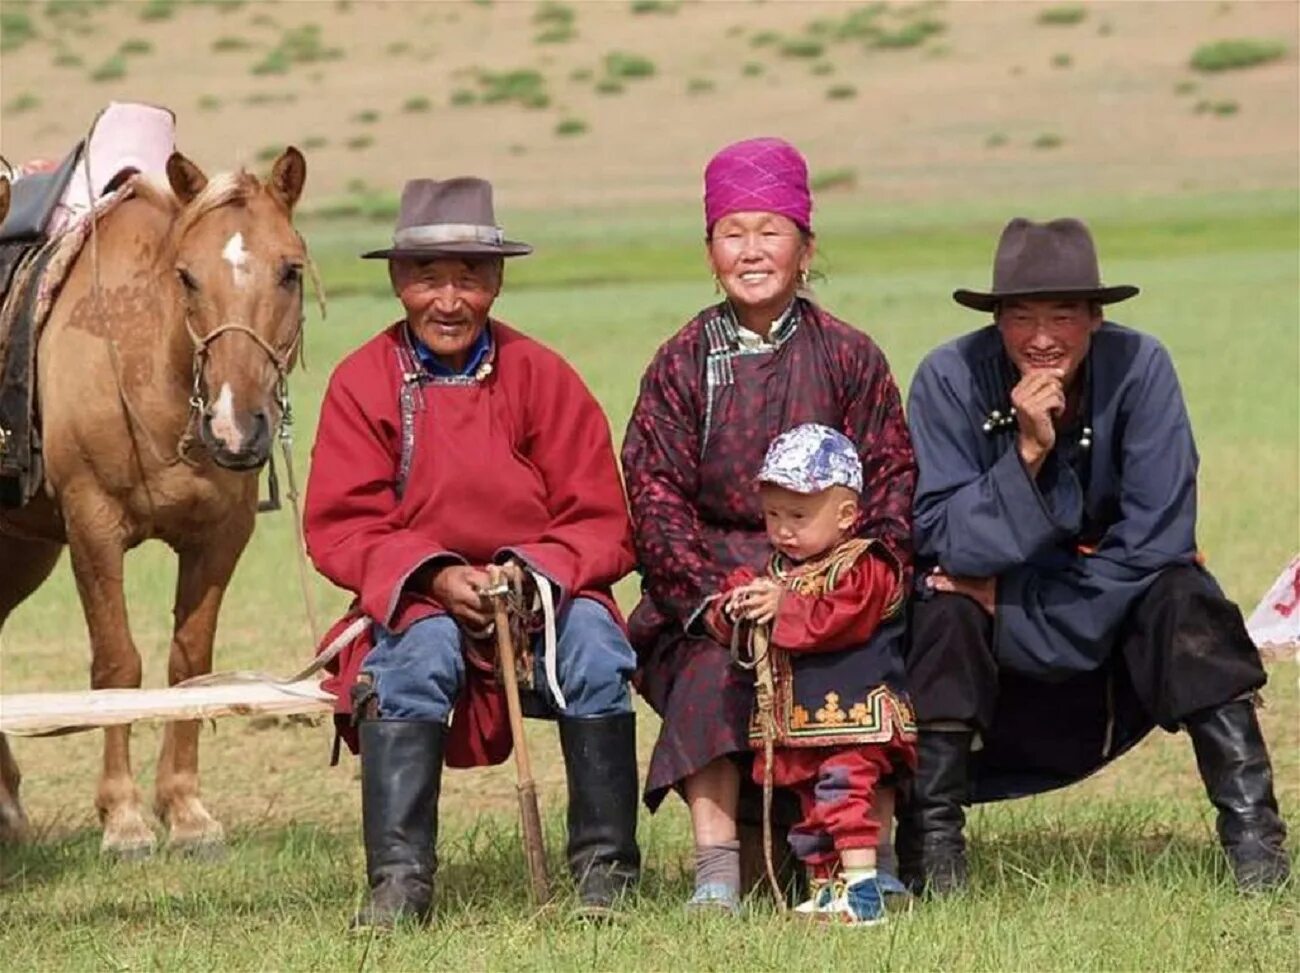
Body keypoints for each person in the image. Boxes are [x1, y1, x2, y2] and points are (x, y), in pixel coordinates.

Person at [901, 216, 1290, 895]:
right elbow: (941, 539)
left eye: (1063, 314)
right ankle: (934, 855)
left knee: (1186, 598)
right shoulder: (948, 378)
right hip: (993, 639)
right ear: (995, 319)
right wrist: (1026, 452)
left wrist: (1024, 607)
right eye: (1020, 315)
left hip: (1107, 621)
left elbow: (1160, 539)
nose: (1042, 337)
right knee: (942, 609)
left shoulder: (1142, 368)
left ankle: (1258, 846)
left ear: (1096, 316)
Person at [303, 177, 641, 928]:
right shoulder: (363, 382)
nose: (448, 300)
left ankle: (606, 873)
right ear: (397, 281)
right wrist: (434, 572)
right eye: (428, 277)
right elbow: (342, 525)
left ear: (497, 281)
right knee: (413, 659)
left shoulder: (541, 375)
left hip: (541, 595)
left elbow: (601, 519)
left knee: (595, 649)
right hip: (419, 594)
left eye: (469, 277)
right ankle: (398, 885)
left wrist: (531, 571)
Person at [622, 137, 916, 913]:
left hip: (835, 586)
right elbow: (654, 496)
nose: (752, 251)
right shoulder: (681, 362)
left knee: (862, 669)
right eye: (733, 233)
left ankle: (871, 858)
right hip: (717, 591)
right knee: (709, 672)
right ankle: (716, 871)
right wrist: (722, 602)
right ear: (710, 248)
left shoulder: (852, 356)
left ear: (806, 246)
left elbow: (890, 483)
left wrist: (845, 593)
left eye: (771, 231)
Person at [706, 424, 916, 925]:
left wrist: (783, 607)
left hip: (855, 718)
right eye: (773, 514)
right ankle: (827, 892)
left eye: (798, 515)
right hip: (797, 726)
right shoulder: (773, 572)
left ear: (847, 515)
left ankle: (864, 895)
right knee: (812, 810)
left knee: (844, 796)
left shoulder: (866, 566)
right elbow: (723, 612)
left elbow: (840, 617)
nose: (783, 529)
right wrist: (732, 608)